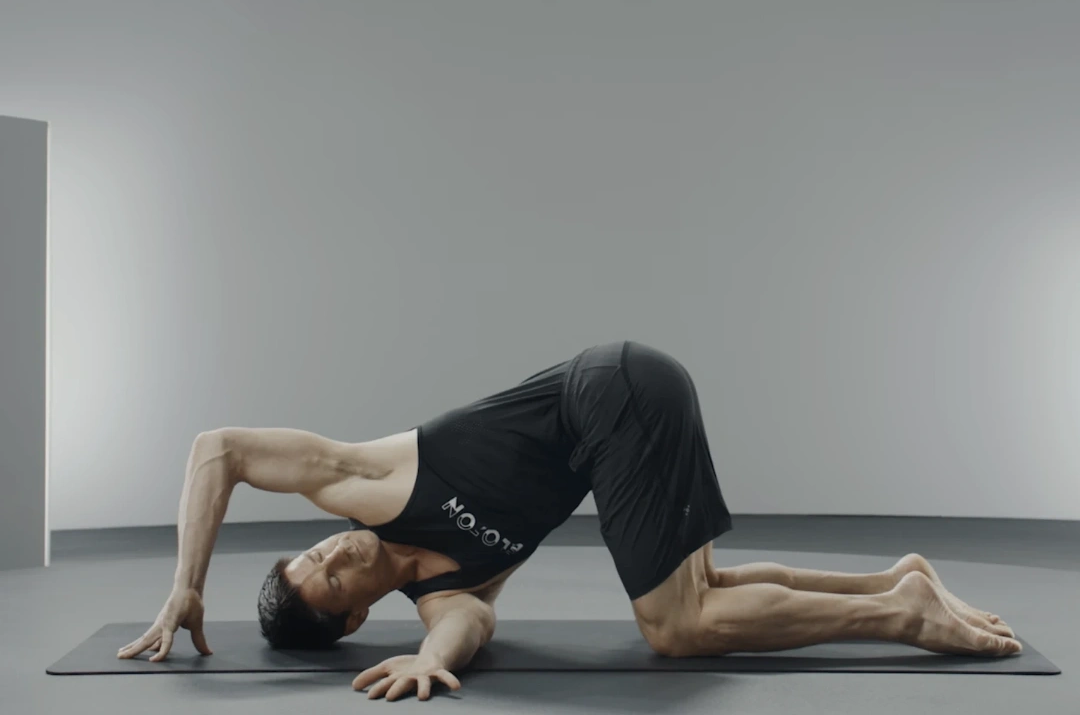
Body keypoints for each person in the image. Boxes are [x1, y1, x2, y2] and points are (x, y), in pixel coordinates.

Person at [117, 340, 1020, 702]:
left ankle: (903, 622)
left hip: (609, 388)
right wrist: (429, 664)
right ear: (353, 616)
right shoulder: (448, 593)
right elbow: (464, 630)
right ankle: (895, 581)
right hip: (632, 406)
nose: (337, 546)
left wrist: (185, 588)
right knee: (698, 591)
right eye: (333, 572)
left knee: (674, 628)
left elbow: (218, 448)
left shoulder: (364, 479)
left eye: (315, 546)